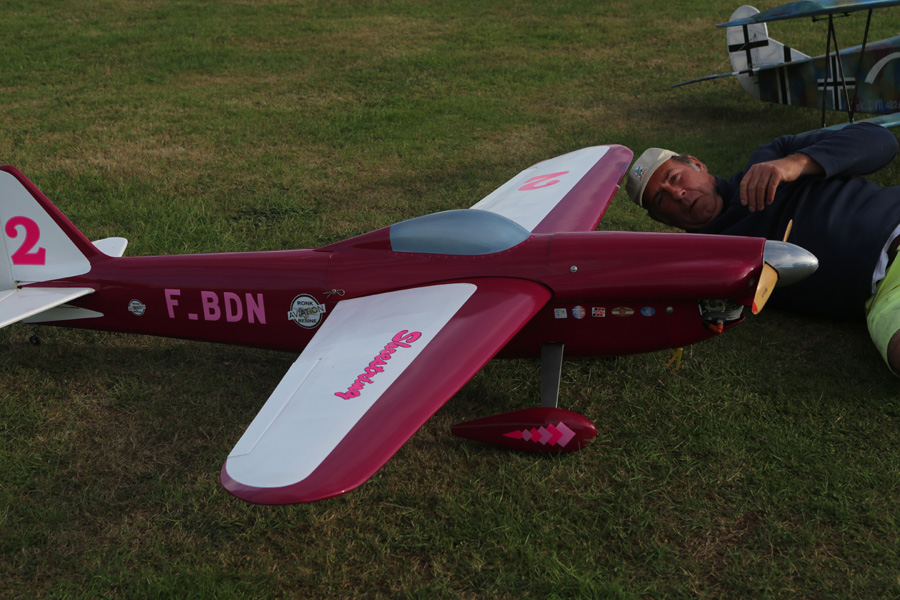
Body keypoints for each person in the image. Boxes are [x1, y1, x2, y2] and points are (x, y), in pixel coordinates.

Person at [624, 122, 900, 375]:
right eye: (661, 198)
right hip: (885, 290)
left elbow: (880, 140)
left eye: (675, 177)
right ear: (662, 220)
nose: (677, 194)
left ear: (697, 165)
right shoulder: (706, 264)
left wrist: (796, 164)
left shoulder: (771, 158)